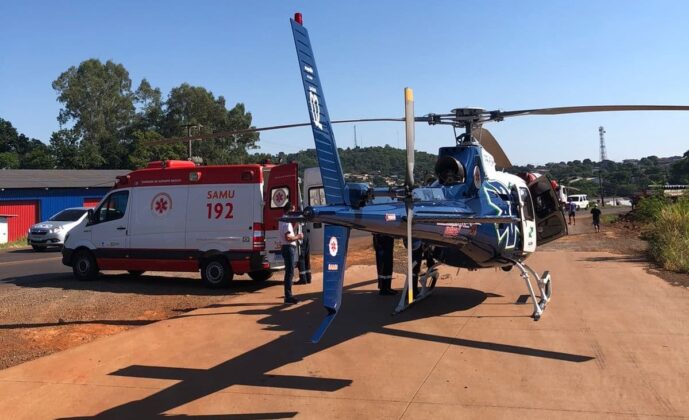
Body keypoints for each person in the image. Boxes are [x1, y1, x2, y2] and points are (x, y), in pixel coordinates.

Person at [279, 202, 303, 304]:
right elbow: (288, 238)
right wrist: (298, 236)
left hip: (286, 248)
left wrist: (296, 225)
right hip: (288, 248)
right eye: (293, 211)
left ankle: (288, 295)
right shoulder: (286, 222)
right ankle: (288, 296)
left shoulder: (283, 220)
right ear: (289, 211)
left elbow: (288, 234)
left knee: (289, 271)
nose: (294, 213)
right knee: (290, 272)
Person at [296, 217, 311, 284]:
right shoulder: (304, 217)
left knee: (301, 258)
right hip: (306, 236)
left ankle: (303, 279)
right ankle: (308, 278)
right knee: (306, 258)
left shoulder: (298, 218)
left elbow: (297, 227)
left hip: (301, 237)